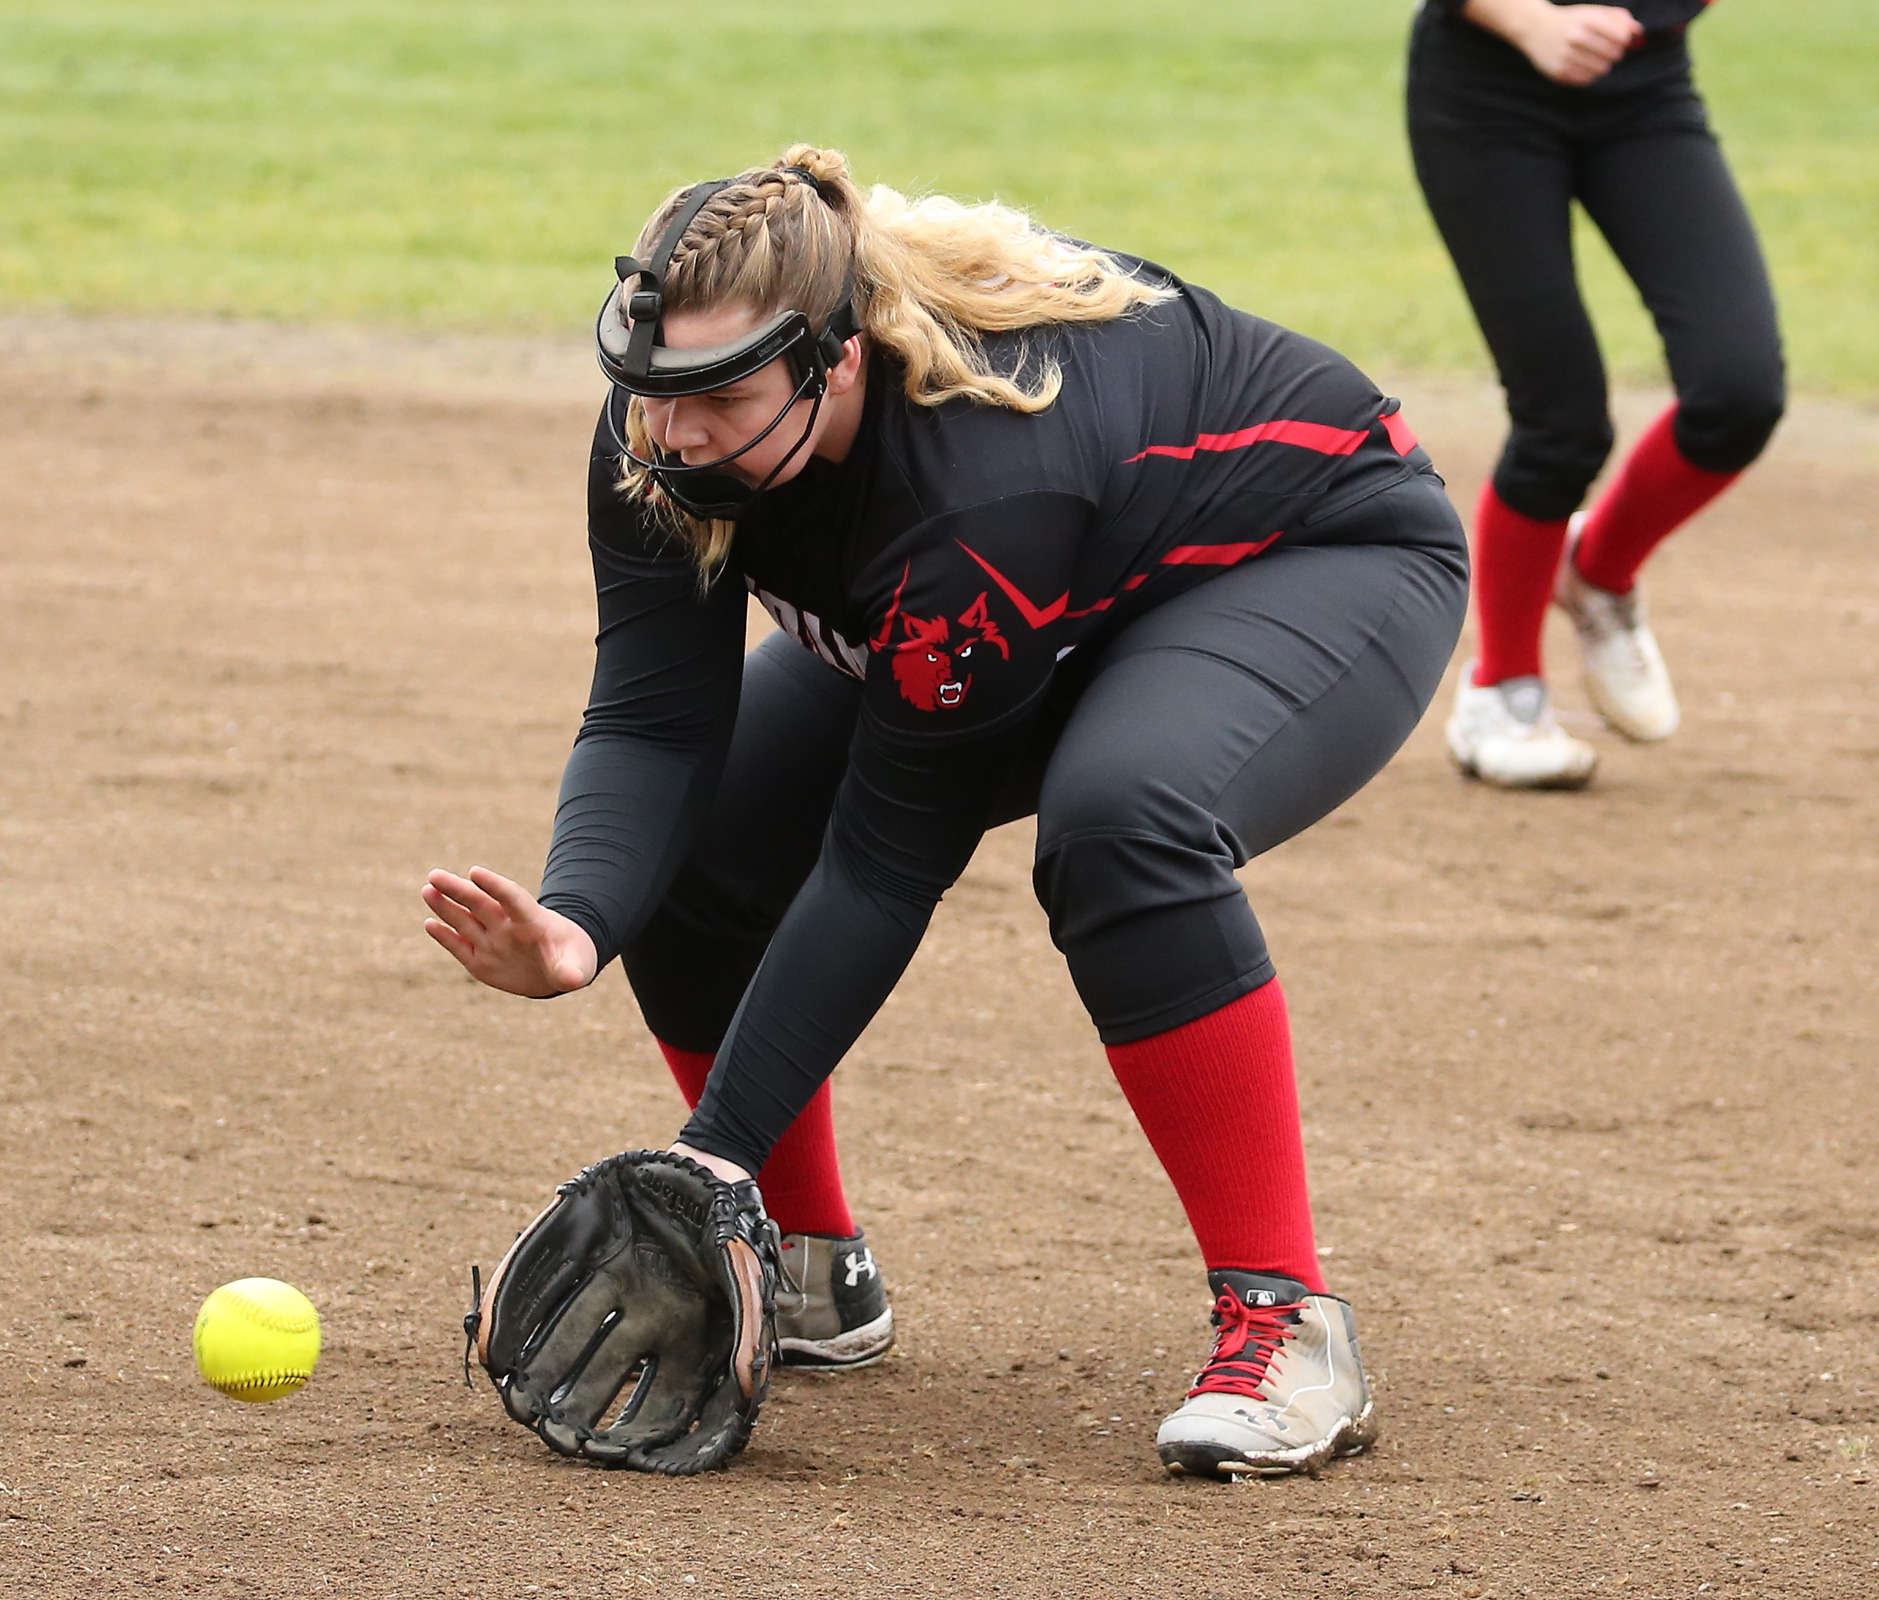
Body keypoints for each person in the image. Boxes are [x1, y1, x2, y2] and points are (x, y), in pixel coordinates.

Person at [421, 145, 1466, 1479]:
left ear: (836, 360)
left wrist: (708, 1157)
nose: (676, 432)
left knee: (1123, 821)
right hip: (1050, 591)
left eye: (721, 395)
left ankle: (1290, 1325)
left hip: (1316, 555)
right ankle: (803, 1266)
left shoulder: (979, 485)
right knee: (708, 849)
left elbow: (884, 863)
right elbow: (654, 718)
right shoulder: (668, 425)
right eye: (655, 388)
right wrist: (579, 921)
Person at [1410, 0, 1785, 788]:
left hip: (1647, 90)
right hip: (1485, 94)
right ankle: (1501, 694)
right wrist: (1528, 21)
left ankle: (1599, 572)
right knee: (1562, 418)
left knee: (1739, 393)